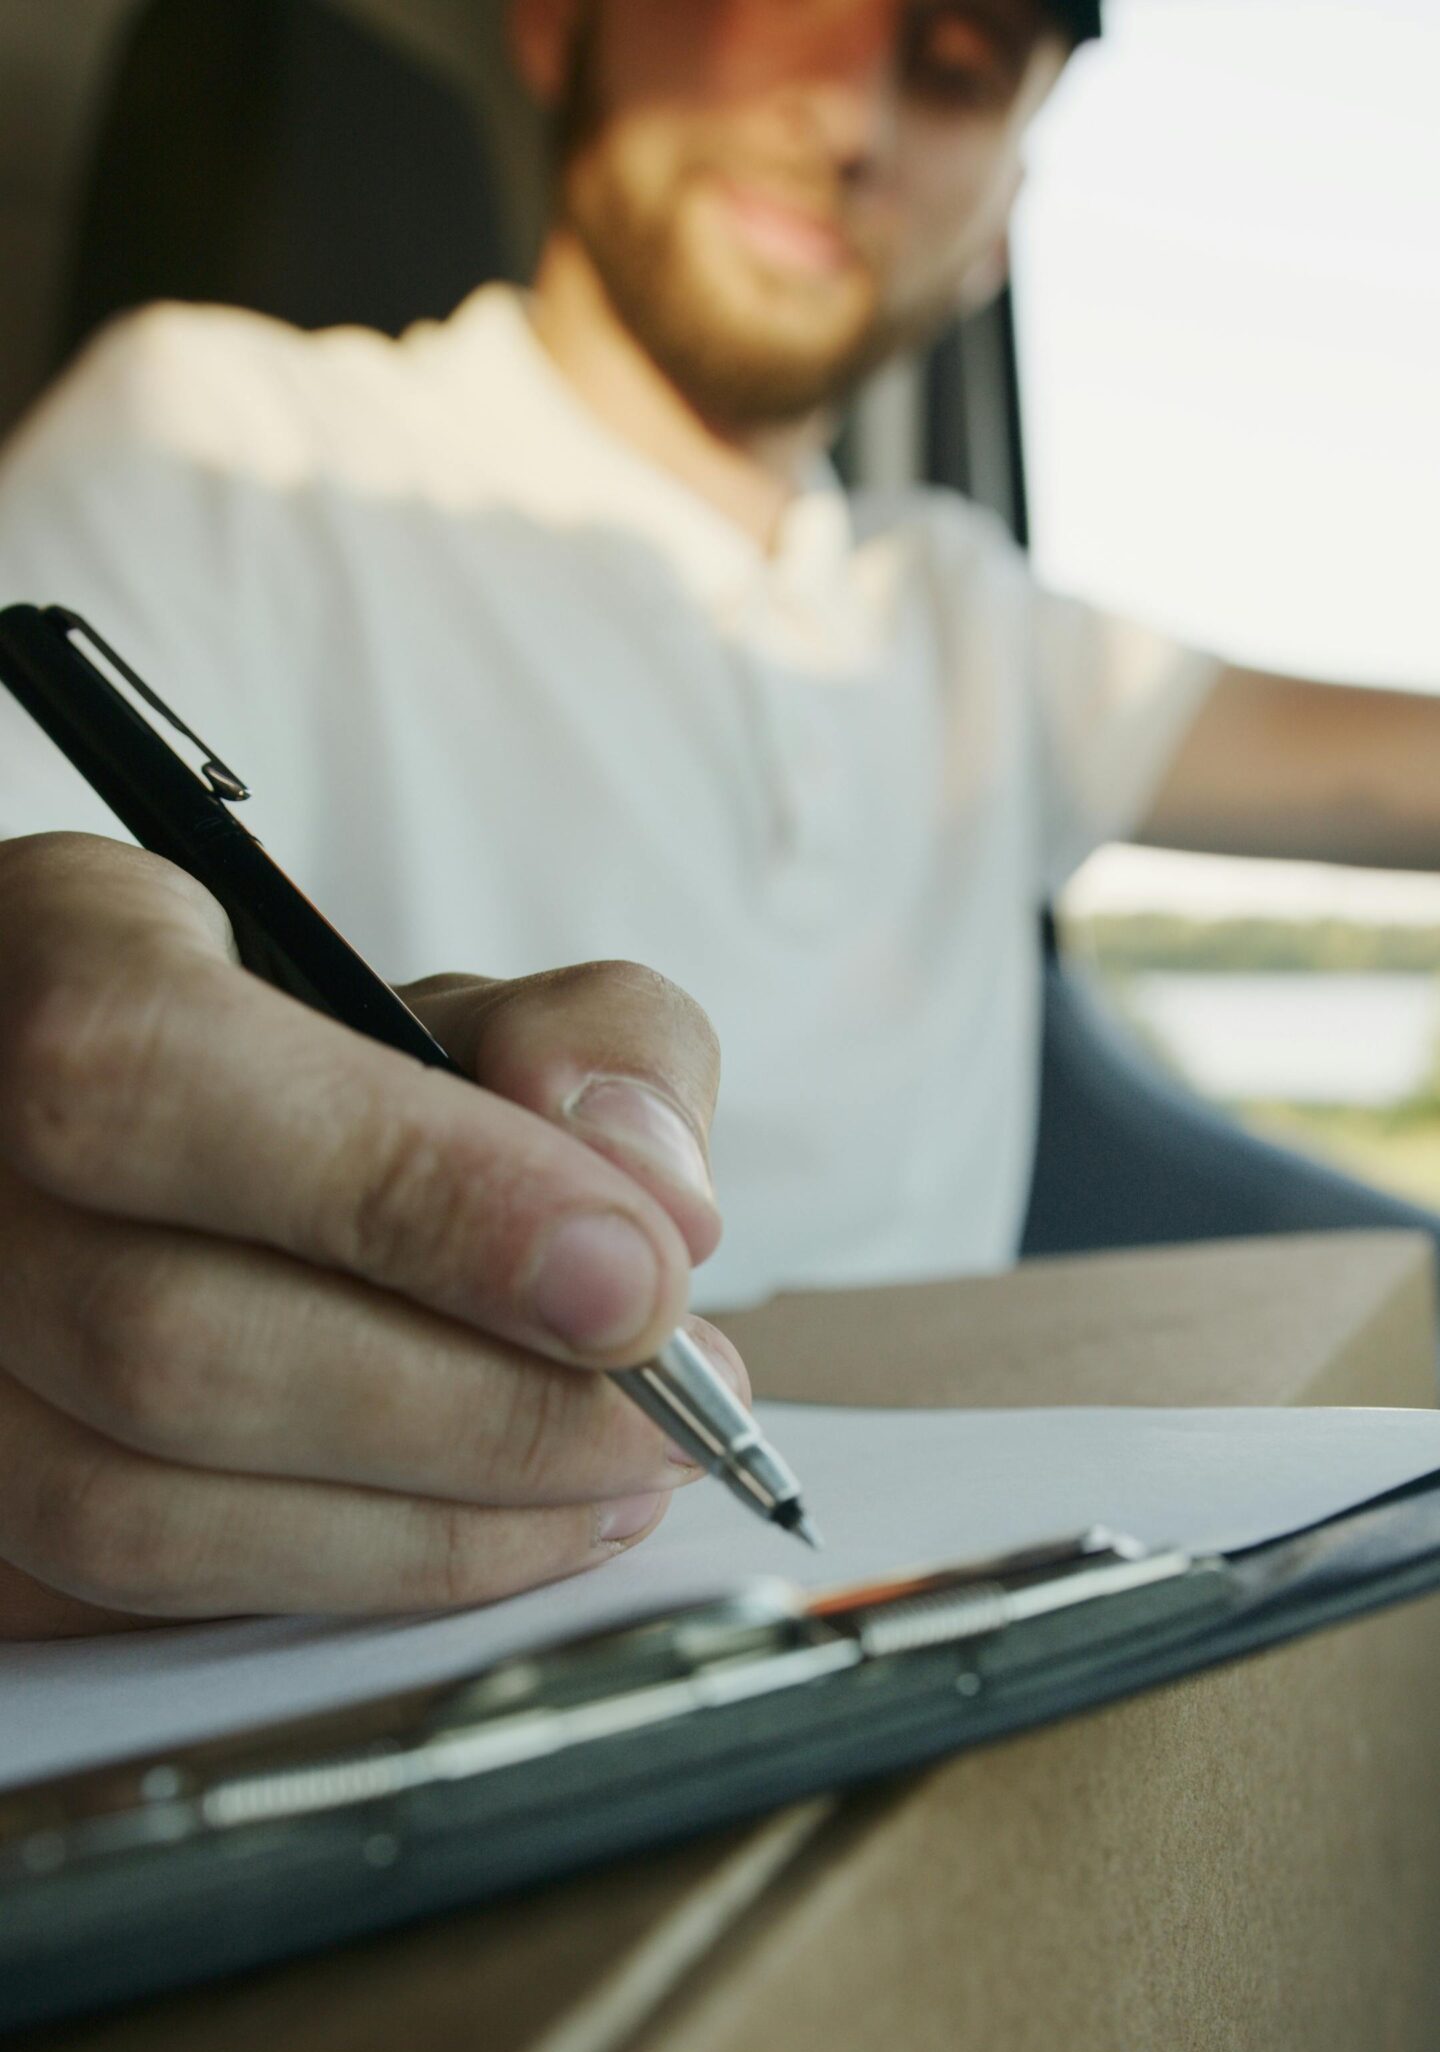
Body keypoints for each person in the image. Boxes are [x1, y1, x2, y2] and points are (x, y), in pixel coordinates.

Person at [0, 0, 1435, 1640]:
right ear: (557, 25)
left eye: (958, 65)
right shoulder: (211, 442)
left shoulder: (973, 620)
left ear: (999, 227)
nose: (847, 111)